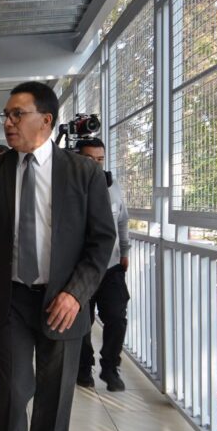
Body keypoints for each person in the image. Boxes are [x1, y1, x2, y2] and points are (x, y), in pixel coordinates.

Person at [0, 81, 115, 431]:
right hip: (11, 297)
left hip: (62, 301)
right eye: (6, 116)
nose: (8, 123)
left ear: (45, 120)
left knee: (55, 391)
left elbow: (101, 242)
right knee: (12, 389)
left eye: (17, 114)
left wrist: (76, 293)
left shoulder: (82, 173)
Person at [73, 136, 130, 392]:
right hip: (81, 268)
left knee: (117, 318)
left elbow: (122, 221)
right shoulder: (69, 187)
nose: (96, 165)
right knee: (82, 323)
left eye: (100, 160)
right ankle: (84, 368)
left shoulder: (113, 185)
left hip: (112, 267)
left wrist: (125, 251)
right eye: (89, 160)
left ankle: (110, 367)